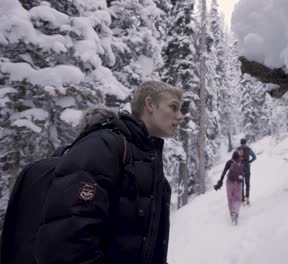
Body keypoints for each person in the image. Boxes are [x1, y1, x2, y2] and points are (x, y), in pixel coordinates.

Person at [34, 80, 183, 264]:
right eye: (174, 107)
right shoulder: (104, 146)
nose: (180, 116)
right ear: (150, 105)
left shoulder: (148, 159)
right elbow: (69, 237)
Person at [214, 151, 245, 225]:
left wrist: (220, 181)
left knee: (230, 198)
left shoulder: (229, 162)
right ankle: (235, 213)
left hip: (229, 182)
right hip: (238, 183)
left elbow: (224, 172)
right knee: (237, 199)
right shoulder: (241, 163)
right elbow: (244, 174)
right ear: (238, 157)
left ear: (232, 157)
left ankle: (232, 214)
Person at [237, 138, 256, 205]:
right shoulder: (248, 149)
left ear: (240, 143)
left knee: (241, 184)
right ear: (245, 143)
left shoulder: (238, 149)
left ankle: (242, 199)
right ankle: (247, 199)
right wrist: (249, 161)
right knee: (247, 184)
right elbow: (254, 157)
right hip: (247, 168)